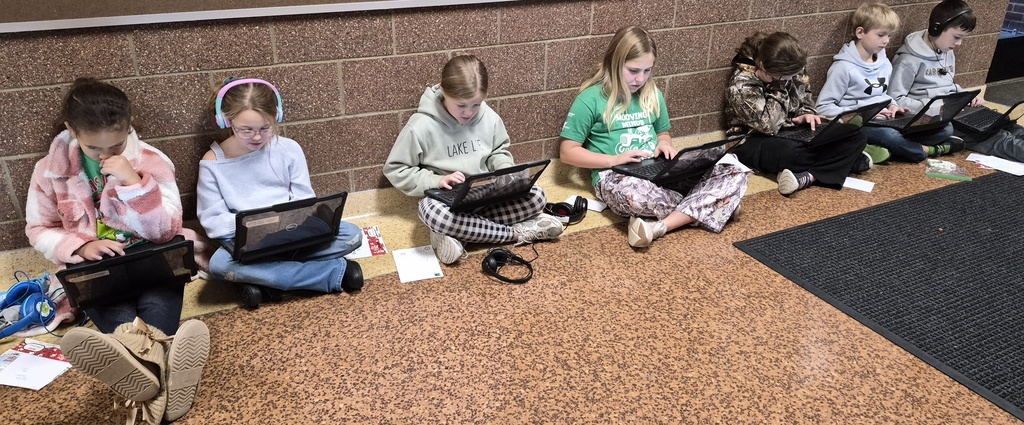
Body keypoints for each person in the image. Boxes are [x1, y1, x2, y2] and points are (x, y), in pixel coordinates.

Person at [25, 78, 209, 423]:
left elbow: (166, 229)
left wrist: (135, 184)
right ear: (72, 131)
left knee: (154, 305)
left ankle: (145, 378)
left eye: (117, 145)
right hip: (99, 273)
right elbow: (38, 228)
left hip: (152, 261)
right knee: (122, 318)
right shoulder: (49, 173)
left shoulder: (152, 160)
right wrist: (81, 244)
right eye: (95, 148)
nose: (107, 155)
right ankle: (165, 378)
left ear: (129, 127)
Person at [559, 26, 748, 248]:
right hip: (615, 175)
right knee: (636, 198)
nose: (640, 79)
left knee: (734, 168)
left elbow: (663, 134)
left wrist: (664, 145)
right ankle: (718, 204)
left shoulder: (652, 93)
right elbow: (567, 152)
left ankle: (663, 225)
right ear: (614, 63)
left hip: (660, 168)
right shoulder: (590, 98)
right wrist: (613, 160)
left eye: (647, 71)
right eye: (633, 70)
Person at [197, 77, 364, 308]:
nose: (256, 137)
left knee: (352, 235)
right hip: (245, 241)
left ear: (277, 117)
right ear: (226, 121)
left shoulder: (288, 149)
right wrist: (255, 224)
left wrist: (288, 221)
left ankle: (266, 284)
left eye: (265, 128)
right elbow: (212, 221)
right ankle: (332, 273)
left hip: (290, 232)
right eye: (246, 130)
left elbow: (305, 198)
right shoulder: (212, 163)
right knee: (219, 266)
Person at [384, 54, 565, 264]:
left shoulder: (490, 117)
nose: (469, 112)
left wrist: (506, 171)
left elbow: (499, 151)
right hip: (448, 203)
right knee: (431, 213)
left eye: (476, 104)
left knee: (537, 196)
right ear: (443, 91)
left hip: (487, 196)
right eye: (461, 105)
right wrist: (435, 181)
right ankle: (518, 234)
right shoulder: (420, 126)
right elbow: (396, 169)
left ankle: (458, 235)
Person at [725, 31, 870, 196]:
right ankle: (844, 161)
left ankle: (809, 176)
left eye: (793, 75)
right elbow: (769, 126)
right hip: (753, 140)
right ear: (764, 67)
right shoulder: (741, 85)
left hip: (792, 129)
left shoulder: (793, 68)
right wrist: (778, 85)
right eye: (785, 77)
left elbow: (806, 100)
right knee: (794, 153)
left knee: (856, 135)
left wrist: (807, 114)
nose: (791, 79)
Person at [817, 2, 962, 163]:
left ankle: (886, 150)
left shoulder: (883, 61)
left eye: (889, 36)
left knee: (945, 128)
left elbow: (882, 95)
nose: (886, 41)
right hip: (859, 124)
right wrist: (863, 113)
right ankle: (927, 150)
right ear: (860, 32)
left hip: (885, 119)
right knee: (890, 135)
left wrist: (893, 106)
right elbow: (823, 107)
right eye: (881, 35)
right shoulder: (843, 67)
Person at [889, 0, 1024, 163]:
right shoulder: (908, 60)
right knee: (996, 138)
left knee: (1008, 125)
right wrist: (936, 108)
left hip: (957, 109)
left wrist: (966, 96)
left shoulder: (945, 49)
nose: (959, 44)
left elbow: (948, 85)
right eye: (956, 37)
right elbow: (895, 99)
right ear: (936, 28)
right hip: (935, 117)